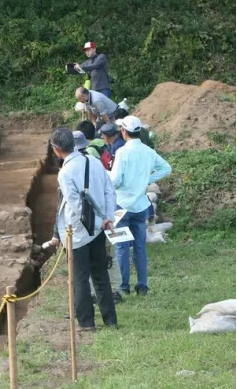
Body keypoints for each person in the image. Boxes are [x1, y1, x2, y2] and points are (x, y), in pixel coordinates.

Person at [47, 128, 118, 331]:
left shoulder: (65, 172)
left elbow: (75, 204)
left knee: (80, 277)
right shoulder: (94, 162)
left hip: (77, 232)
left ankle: (87, 323)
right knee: (100, 274)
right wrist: (107, 218)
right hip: (98, 228)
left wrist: (93, 222)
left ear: (56, 149)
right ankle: (110, 319)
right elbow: (109, 191)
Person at [110, 116, 172, 296]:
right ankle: (142, 285)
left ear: (123, 131)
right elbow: (166, 168)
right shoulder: (148, 151)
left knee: (121, 247)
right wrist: (146, 180)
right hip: (141, 207)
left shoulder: (122, 152)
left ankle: (124, 286)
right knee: (139, 246)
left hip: (121, 207)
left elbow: (115, 180)